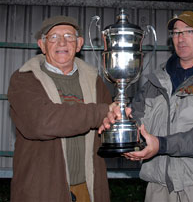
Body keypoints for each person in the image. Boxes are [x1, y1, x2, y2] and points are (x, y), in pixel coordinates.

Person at [100, 11, 193, 201]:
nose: (180, 38)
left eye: (188, 31)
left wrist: (162, 145)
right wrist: (118, 127)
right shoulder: (157, 80)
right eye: (176, 33)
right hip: (158, 189)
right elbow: (137, 118)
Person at [7, 15, 117, 202]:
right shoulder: (24, 79)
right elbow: (42, 122)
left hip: (88, 189)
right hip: (41, 190)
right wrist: (100, 112)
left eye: (69, 36)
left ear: (79, 43)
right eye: (53, 37)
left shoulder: (95, 81)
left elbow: (107, 129)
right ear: (41, 45)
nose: (62, 42)